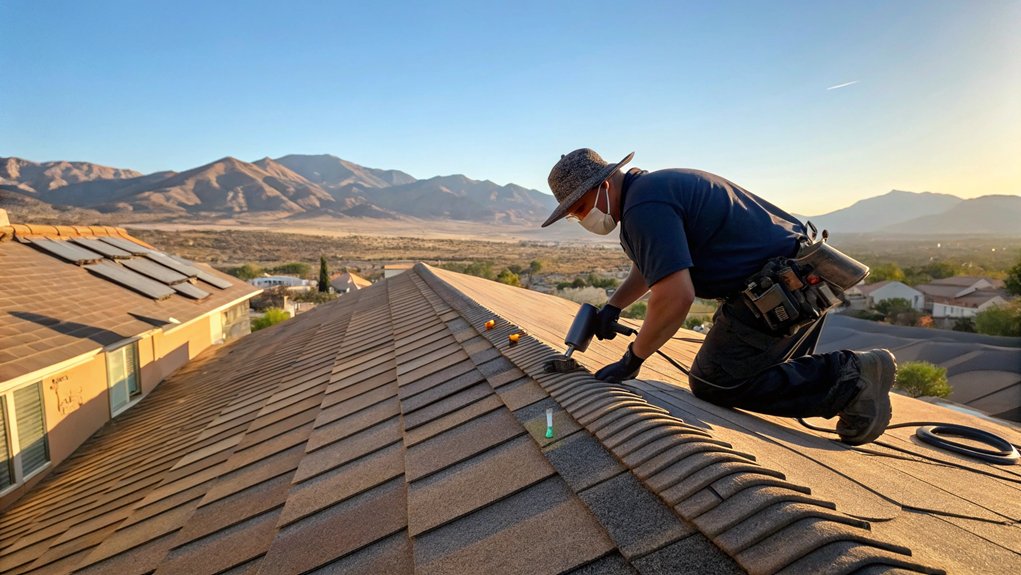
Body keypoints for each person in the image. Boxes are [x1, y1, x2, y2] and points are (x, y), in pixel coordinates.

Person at [541, 148, 897, 445]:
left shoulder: (644, 208)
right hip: (797, 282)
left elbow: (675, 296)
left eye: (582, 208)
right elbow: (652, 266)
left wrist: (633, 359)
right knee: (758, 372)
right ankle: (851, 383)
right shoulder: (650, 193)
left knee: (716, 381)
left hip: (782, 291)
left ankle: (854, 378)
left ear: (603, 186)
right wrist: (614, 307)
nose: (583, 218)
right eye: (575, 216)